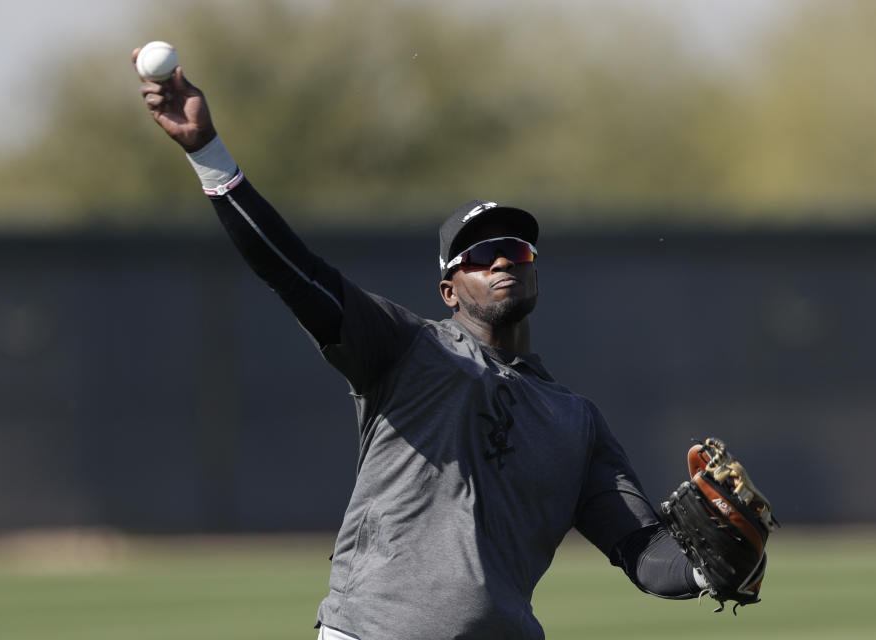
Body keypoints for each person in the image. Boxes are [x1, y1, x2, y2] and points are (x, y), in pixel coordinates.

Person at [134, 49, 705, 640]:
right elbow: (294, 272)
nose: (503, 258)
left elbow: (643, 552)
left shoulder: (576, 421)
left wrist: (710, 565)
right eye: (480, 255)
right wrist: (208, 154)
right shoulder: (406, 349)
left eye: (517, 249)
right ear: (449, 290)